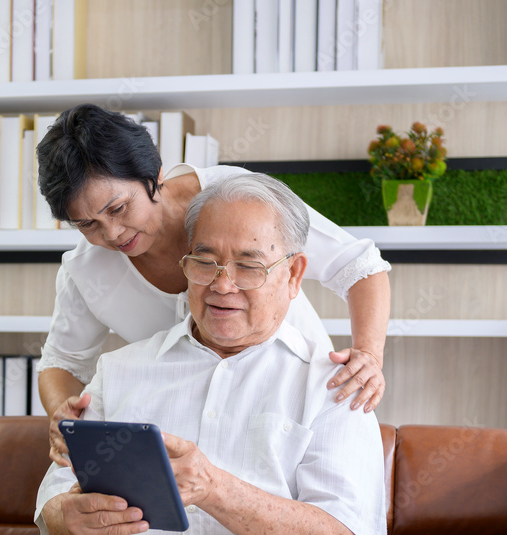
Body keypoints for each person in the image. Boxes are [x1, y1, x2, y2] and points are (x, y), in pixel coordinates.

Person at [8, 173, 387, 535]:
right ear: (185, 266)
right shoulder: (119, 371)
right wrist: (67, 520)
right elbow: (55, 505)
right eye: (205, 263)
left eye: (249, 266)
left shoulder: (336, 386)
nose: (222, 285)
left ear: (293, 275)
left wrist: (213, 488)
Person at [35, 104, 391, 465]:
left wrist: (369, 354)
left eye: (118, 209)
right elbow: (61, 360)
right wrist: (62, 415)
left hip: (293, 409)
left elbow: (358, 265)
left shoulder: (236, 199)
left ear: (152, 174)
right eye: (86, 224)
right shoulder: (86, 270)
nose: (111, 233)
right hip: (192, 436)